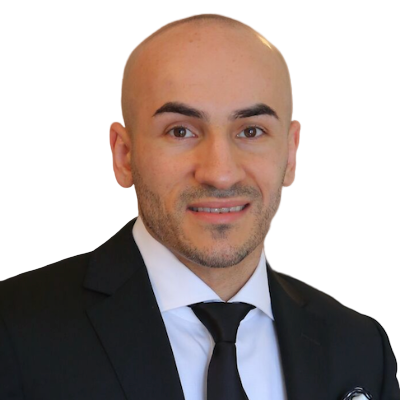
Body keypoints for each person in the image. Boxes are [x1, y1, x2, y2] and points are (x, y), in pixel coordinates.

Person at [0, 12, 398, 400]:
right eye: (181, 131)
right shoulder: (12, 328)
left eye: (251, 131)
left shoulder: (360, 347)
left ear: (291, 154)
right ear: (123, 155)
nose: (220, 174)